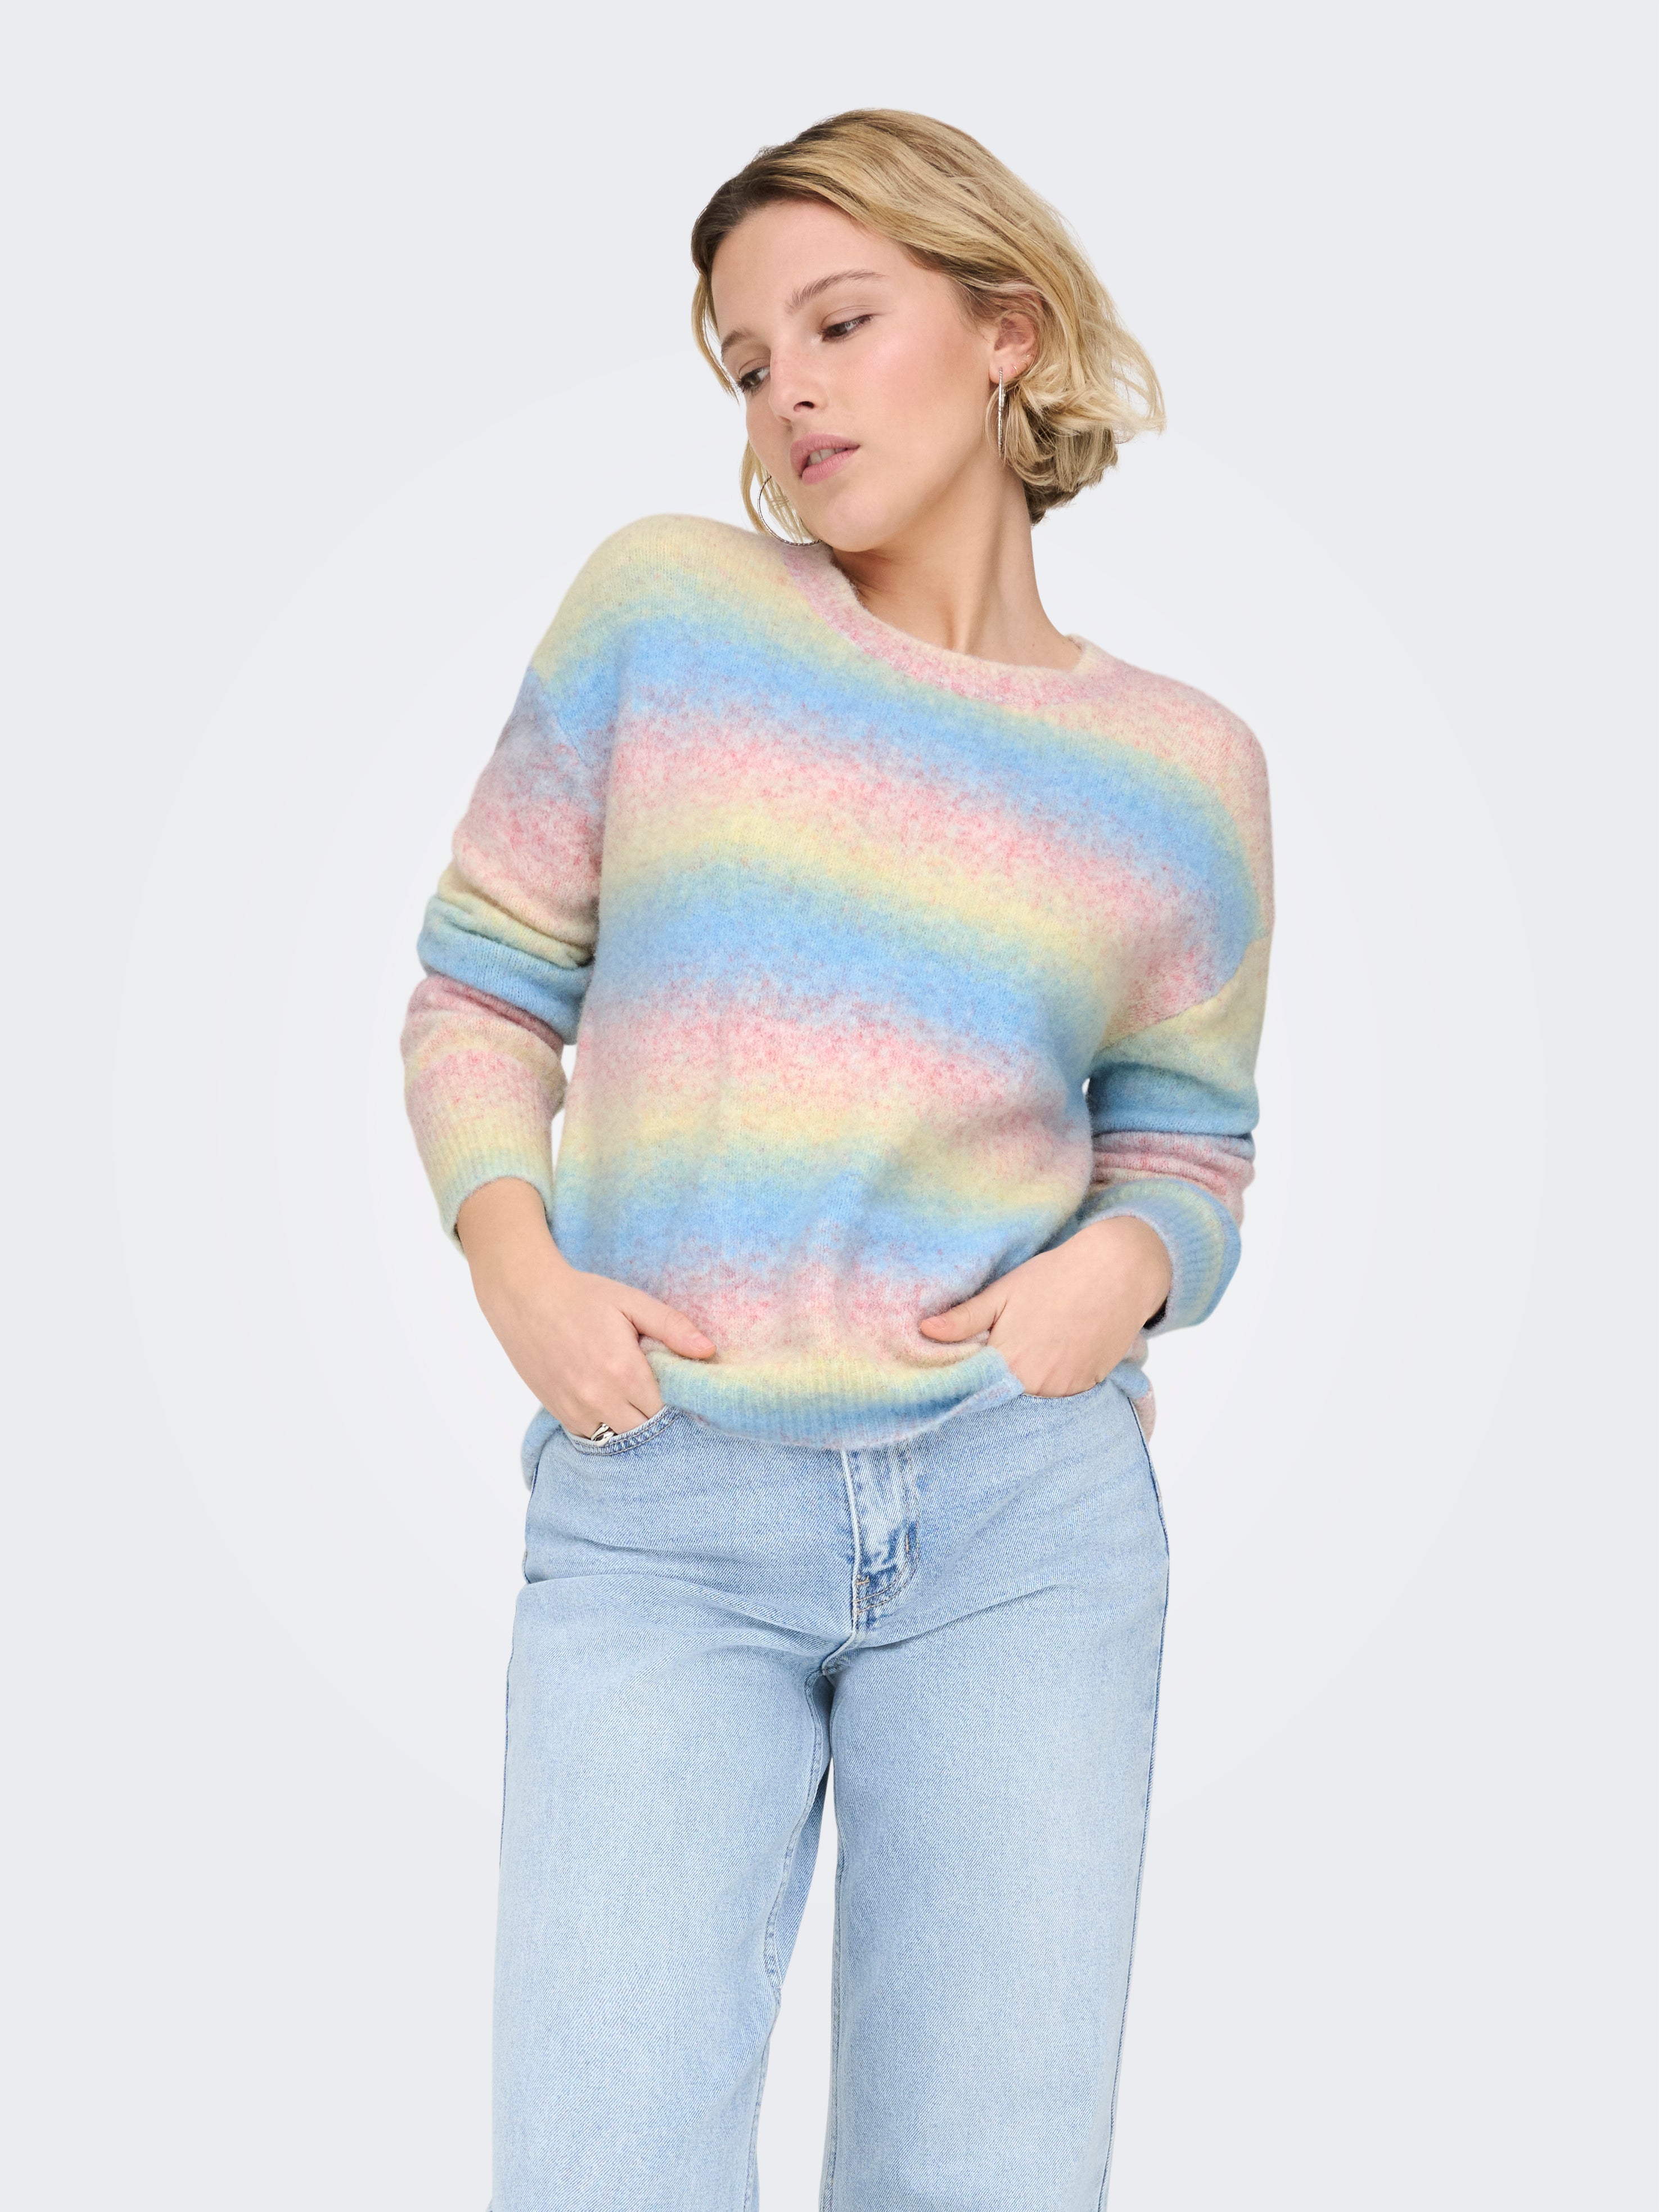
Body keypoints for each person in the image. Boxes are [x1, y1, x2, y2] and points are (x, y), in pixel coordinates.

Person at [401, 107, 1273, 2211]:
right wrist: (519, 1269)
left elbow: (1190, 1145)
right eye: (746, 360)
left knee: (986, 2180)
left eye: (840, 322)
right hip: (662, 1507)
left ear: (1007, 329)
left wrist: (1118, 1277)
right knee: (598, 2169)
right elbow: (480, 987)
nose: (786, 391)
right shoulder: (670, 611)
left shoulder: (1187, 769)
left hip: (1022, 1524)